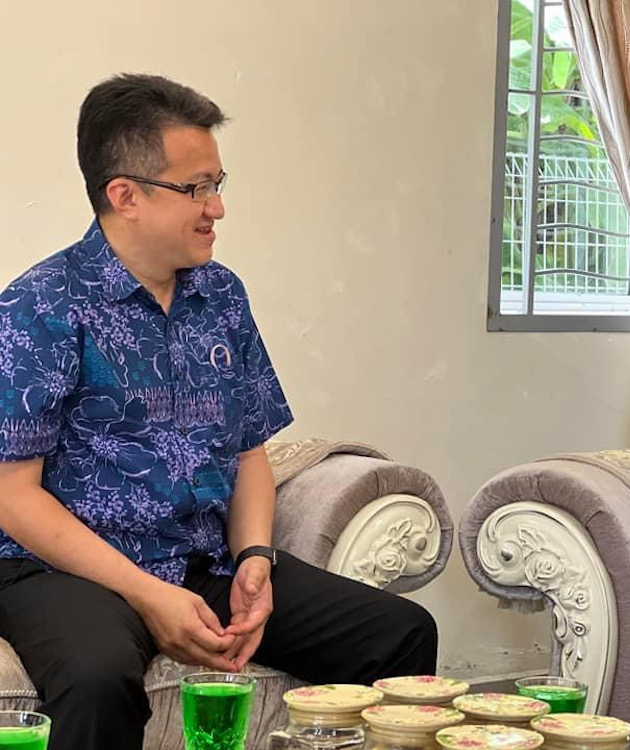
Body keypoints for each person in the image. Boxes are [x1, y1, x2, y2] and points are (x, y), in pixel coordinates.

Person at [0, 73, 437, 750]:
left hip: (198, 554)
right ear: (126, 196)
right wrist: (147, 594)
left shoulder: (221, 296)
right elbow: (13, 496)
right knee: (96, 676)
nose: (217, 208)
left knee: (401, 634)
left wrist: (256, 556)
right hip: (65, 568)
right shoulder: (41, 304)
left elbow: (248, 450)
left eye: (218, 183)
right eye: (196, 188)